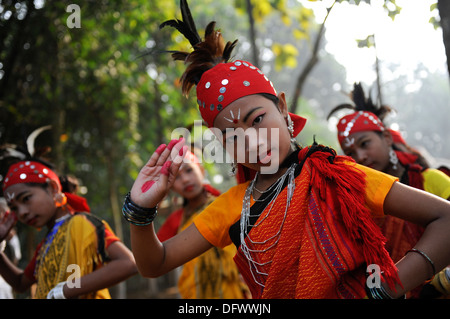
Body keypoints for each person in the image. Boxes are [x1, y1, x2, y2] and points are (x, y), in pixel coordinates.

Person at [124, 0, 450, 299]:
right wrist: (140, 211)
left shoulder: (338, 176)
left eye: (257, 120)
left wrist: (387, 287)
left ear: (282, 107)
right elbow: (156, 263)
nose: (251, 141)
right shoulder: (232, 206)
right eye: (232, 136)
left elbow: (444, 218)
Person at [328, 82, 450, 297]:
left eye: (365, 144)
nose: (361, 157)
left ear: (386, 138)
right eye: (351, 152)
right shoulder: (357, 202)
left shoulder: (430, 180)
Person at [0, 160, 137, 299]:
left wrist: (66, 290)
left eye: (26, 198)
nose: (22, 212)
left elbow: (127, 263)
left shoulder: (83, 224)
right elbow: (20, 283)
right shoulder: (46, 244)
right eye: (14, 208)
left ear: (52, 188)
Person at [157, 149, 248, 298]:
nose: (186, 180)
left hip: (234, 291)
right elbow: (153, 258)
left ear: (201, 170)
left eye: (189, 170)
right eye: (177, 178)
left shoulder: (224, 203)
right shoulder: (176, 220)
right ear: (171, 187)